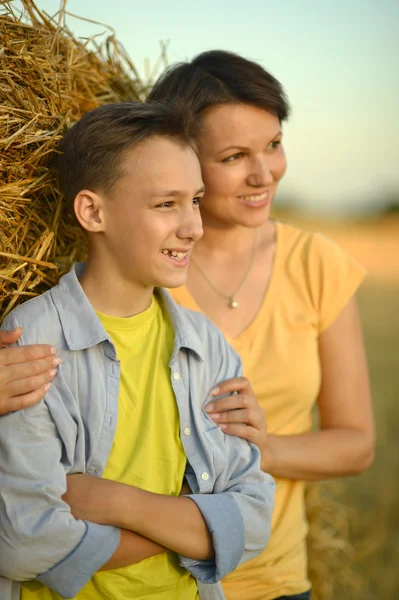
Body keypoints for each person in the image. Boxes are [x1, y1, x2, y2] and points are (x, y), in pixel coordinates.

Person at [0, 50, 375, 600]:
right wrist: (204, 523)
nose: (262, 172)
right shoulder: (64, 321)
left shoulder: (224, 330)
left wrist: (135, 502)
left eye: (273, 144)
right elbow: (28, 533)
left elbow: (274, 506)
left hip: (263, 579)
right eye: (232, 156)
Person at [0, 101, 275, 600]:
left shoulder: (206, 345)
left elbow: (254, 522)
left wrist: (117, 503)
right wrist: (197, 521)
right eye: (166, 204)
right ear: (93, 211)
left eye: (195, 200)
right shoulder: (32, 340)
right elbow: (25, 542)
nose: (194, 225)